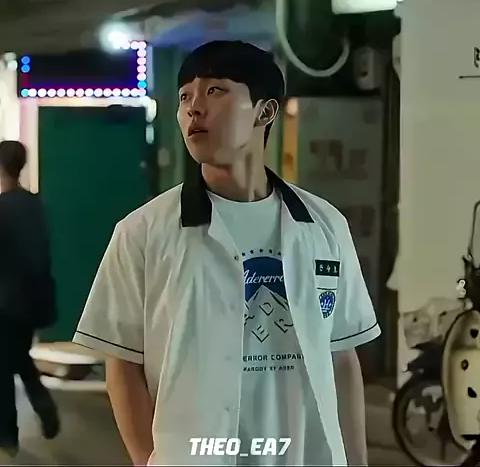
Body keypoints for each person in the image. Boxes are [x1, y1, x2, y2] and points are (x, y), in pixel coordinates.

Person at [74, 41, 381, 466]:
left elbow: (341, 356)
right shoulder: (143, 232)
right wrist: (149, 460)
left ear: (265, 112)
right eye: (185, 97)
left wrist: (357, 460)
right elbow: (123, 365)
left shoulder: (325, 226)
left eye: (214, 91)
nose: (194, 109)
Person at [0, 140, 60, 458]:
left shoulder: (2, 207)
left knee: (3, 367)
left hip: (4, 301)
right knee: (18, 357)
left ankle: (7, 436)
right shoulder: (33, 205)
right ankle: (43, 404)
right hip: (30, 300)